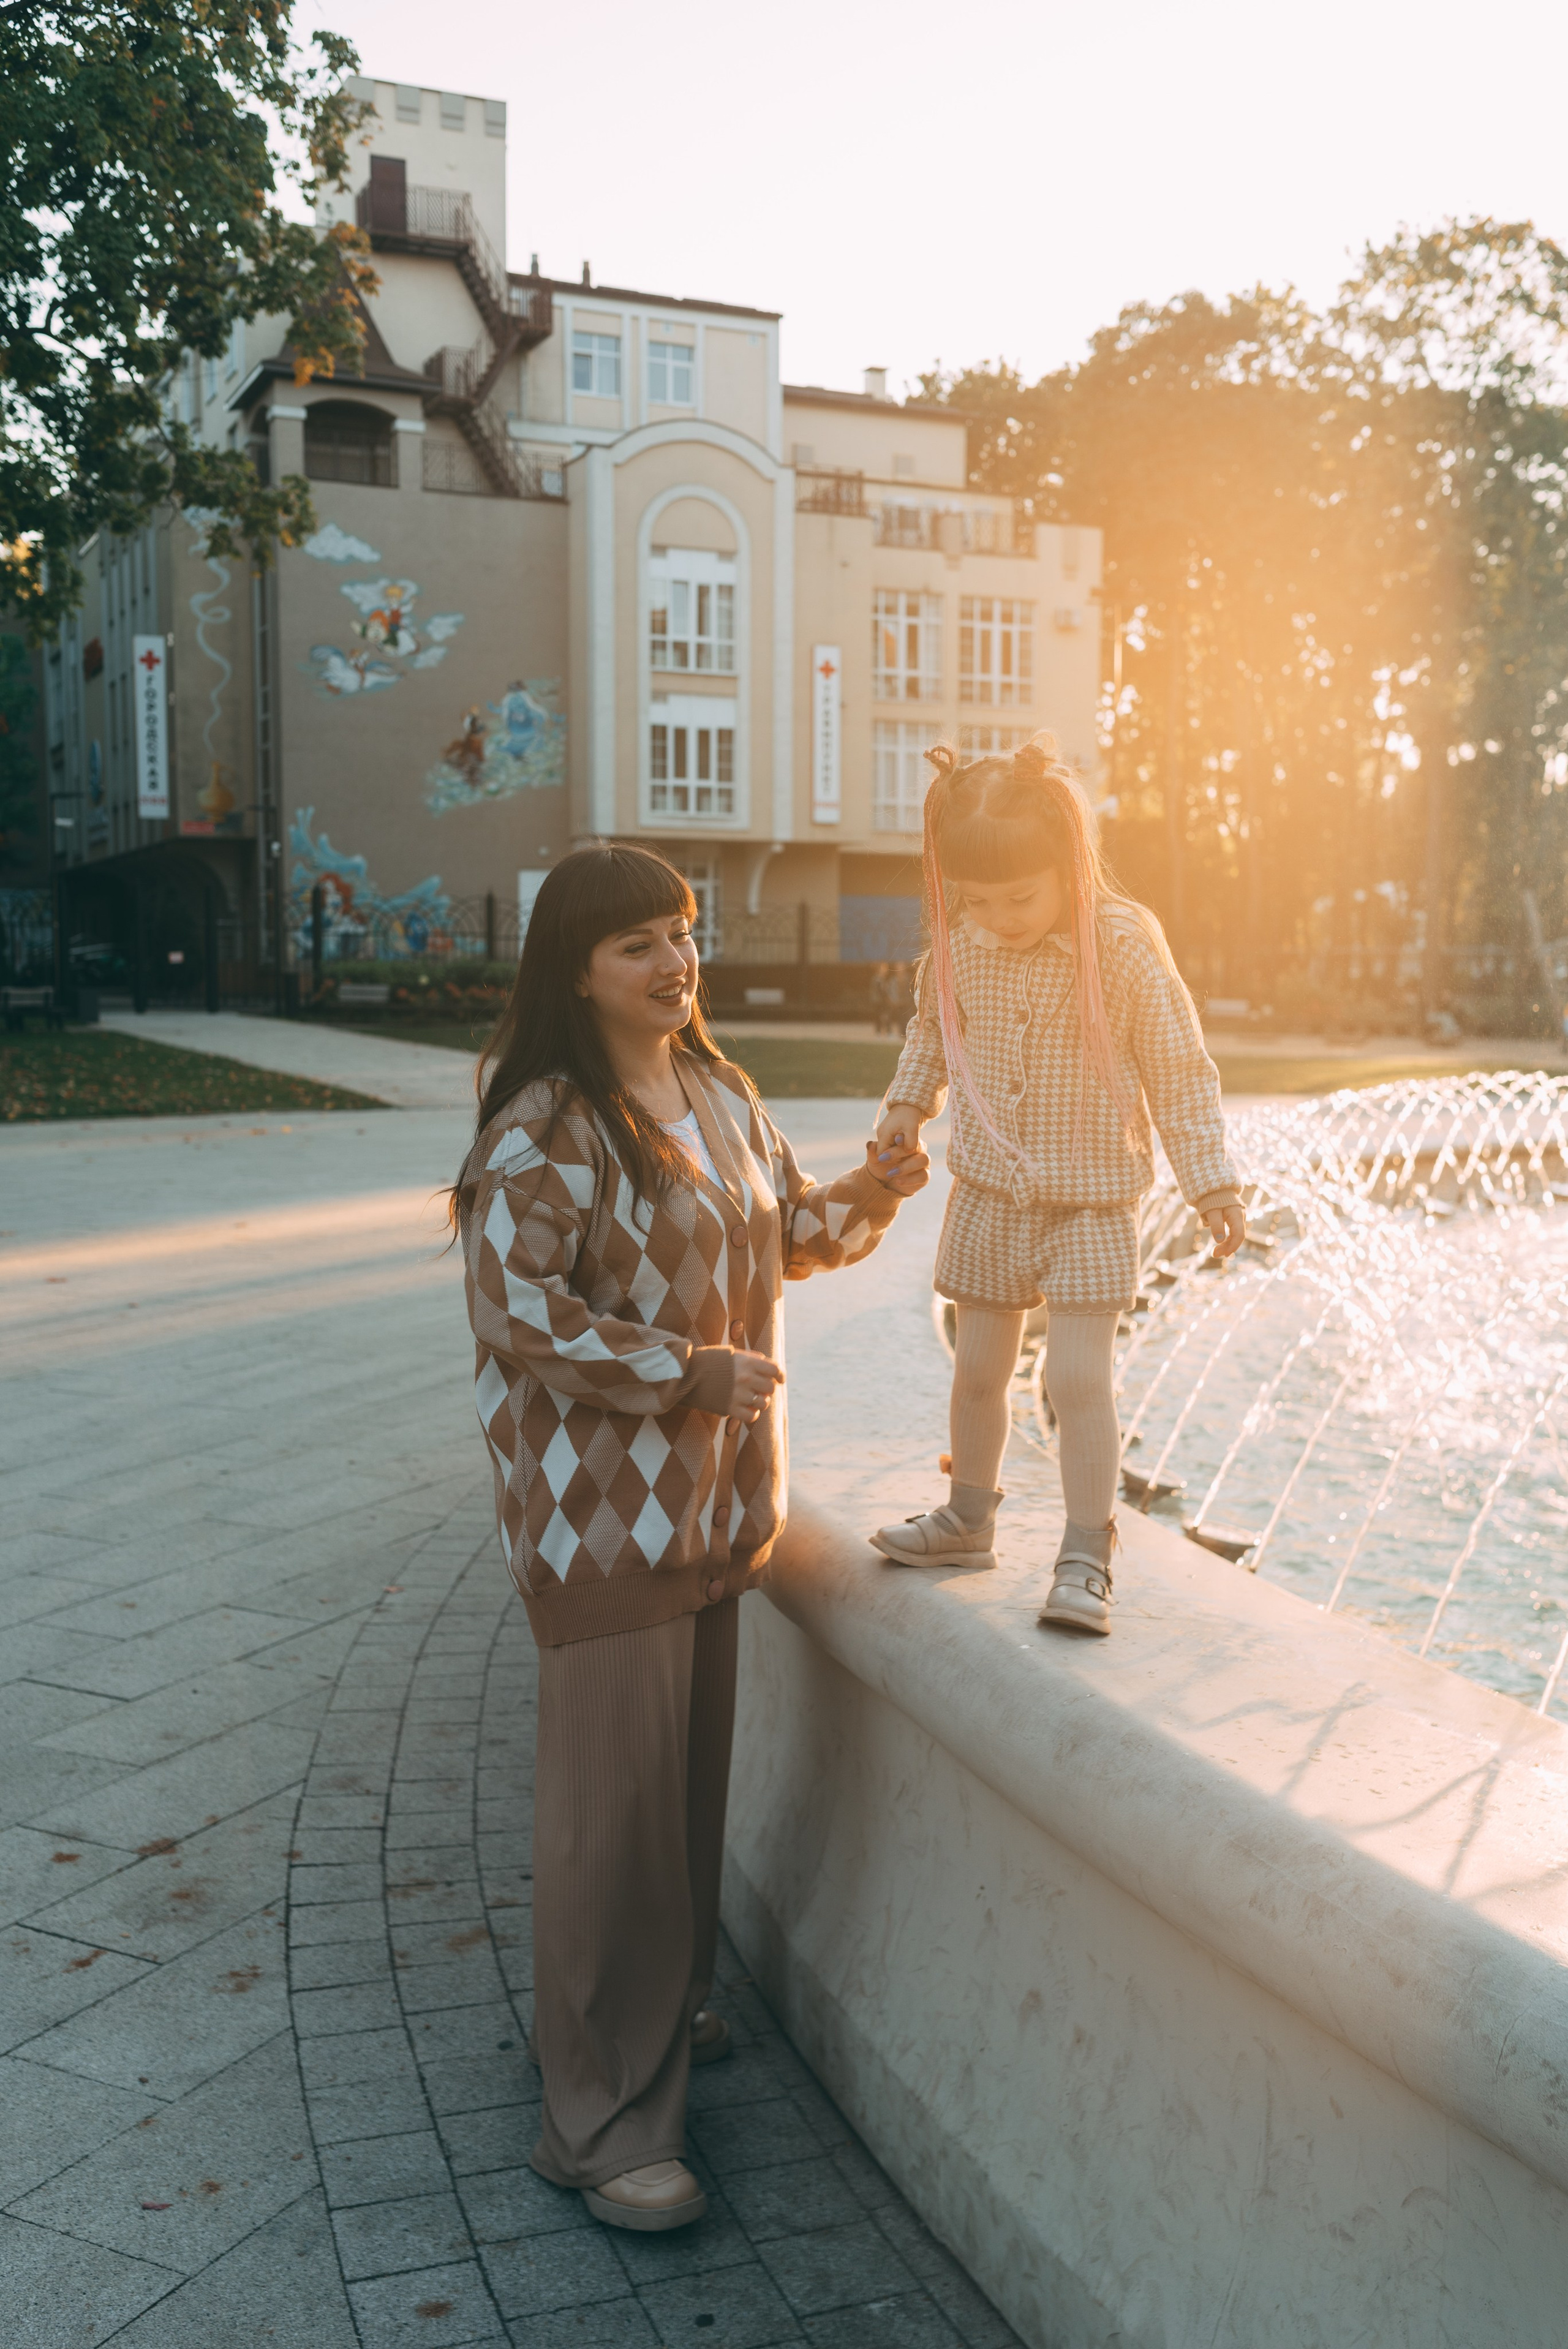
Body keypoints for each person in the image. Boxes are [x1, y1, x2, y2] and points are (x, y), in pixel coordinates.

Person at [453, 844, 927, 2234]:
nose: (674, 962)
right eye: (635, 947)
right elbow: (516, 1313)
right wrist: (683, 1372)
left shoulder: (718, 1092)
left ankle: (655, 2011)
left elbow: (788, 1235)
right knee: (612, 1827)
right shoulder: (545, 1123)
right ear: (573, 972)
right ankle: (595, 2121)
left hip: (717, 1513)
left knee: (680, 1807)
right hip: (604, 1525)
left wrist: (880, 1187)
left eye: (679, 932)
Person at [869, 735, 1244, 1634]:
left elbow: (1179, 1067)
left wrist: (1211, 1183)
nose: (999, 916)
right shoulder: (960, 946)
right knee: (978, 1371)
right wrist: (905, 1107)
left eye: (1021, 896)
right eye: (977, 898)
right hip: (990, 1192)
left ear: (1068, 862)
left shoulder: (1118, 946)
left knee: (1077, 1379)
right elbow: (931, 1034)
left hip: (1093, 1200)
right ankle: (967, 1518)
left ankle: (1086, 1553)